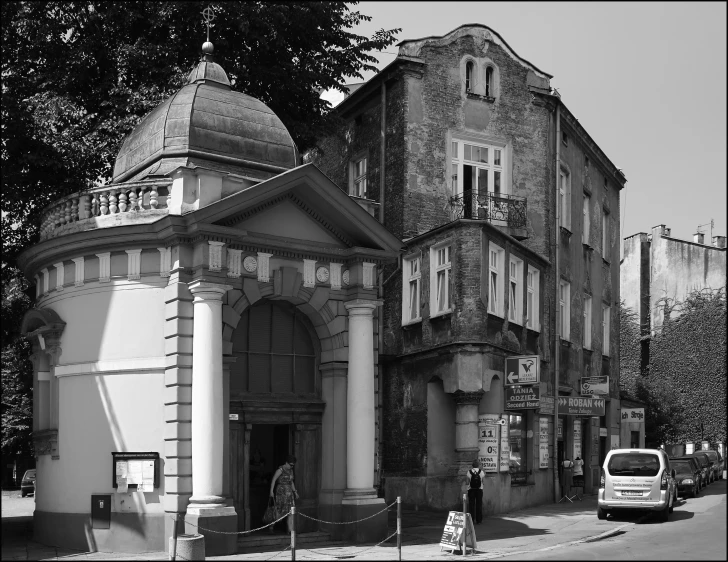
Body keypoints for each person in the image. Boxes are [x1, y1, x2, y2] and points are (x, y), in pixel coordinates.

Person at [269, 455, 299, 533]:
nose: (292, 467)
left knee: (290, 511)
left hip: (289, 495)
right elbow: (274, 480)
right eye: (291, 465)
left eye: (293, 465)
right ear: (286, 463)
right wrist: (271, 491)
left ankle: (289, 530)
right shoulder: (280, 470)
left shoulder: (291, 471)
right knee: (279, 510)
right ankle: (271, 526)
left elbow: (291, 482)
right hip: (281, 494)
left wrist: (295, 492)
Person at [465, 459, 485, 524]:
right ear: (478, 465)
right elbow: (483, 482)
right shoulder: (481, 472)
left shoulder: (469, 472)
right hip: (479, 490)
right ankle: (479, 520)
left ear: (472, 465)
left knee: (471, 505)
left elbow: (467, 483)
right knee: (479, 504)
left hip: (471, 490)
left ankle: (471, 520)